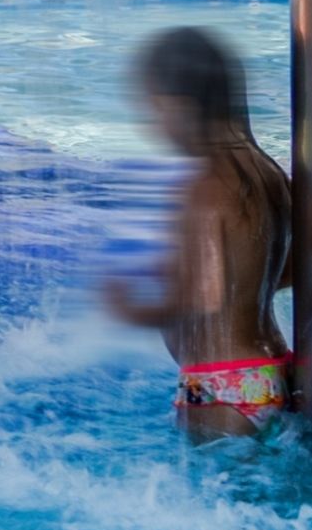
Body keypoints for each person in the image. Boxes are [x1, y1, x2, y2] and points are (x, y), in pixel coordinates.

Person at [104, 25, 300, 437]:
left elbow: (203, 297)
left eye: (154, 109)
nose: (154, 124)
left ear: (180, 106)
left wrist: (133, 309)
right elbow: (287, 271)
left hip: (218, 385)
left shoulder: (204, 185)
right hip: (272, 370)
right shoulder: (269, 174)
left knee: (209, 494)